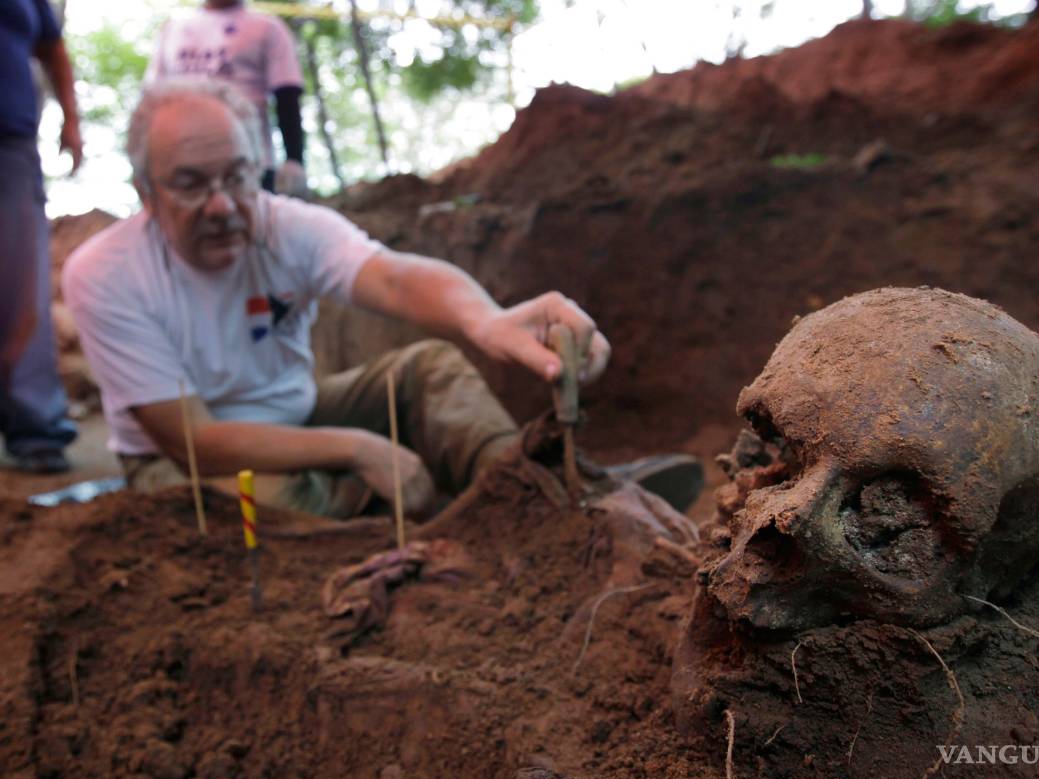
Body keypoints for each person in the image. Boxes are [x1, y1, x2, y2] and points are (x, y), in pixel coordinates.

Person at [63, 79, 701, 518]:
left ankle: (531, 497)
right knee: (272, 499)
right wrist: (357, 448)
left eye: (237, 176)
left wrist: (484, 319)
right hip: (184, 467)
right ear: (145, 192)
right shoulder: (106, 274)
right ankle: (448, 533)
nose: (224, 205)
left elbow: (393, 276)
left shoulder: (287, 226)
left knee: (429, 370)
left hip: (301, 412)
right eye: (191, 185)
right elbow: (194, 442)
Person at [0, 0, 82, 473]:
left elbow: (52, 47)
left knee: (22, 287)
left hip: (10, 143)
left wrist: (71, 119)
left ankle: (36, 429)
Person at [146, 0, 306, 196]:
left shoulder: (268, 28)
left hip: (249, 163)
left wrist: (294, 159)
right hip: (182, 162)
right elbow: (153, 99)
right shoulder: (172, 30)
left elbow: (287, 96)